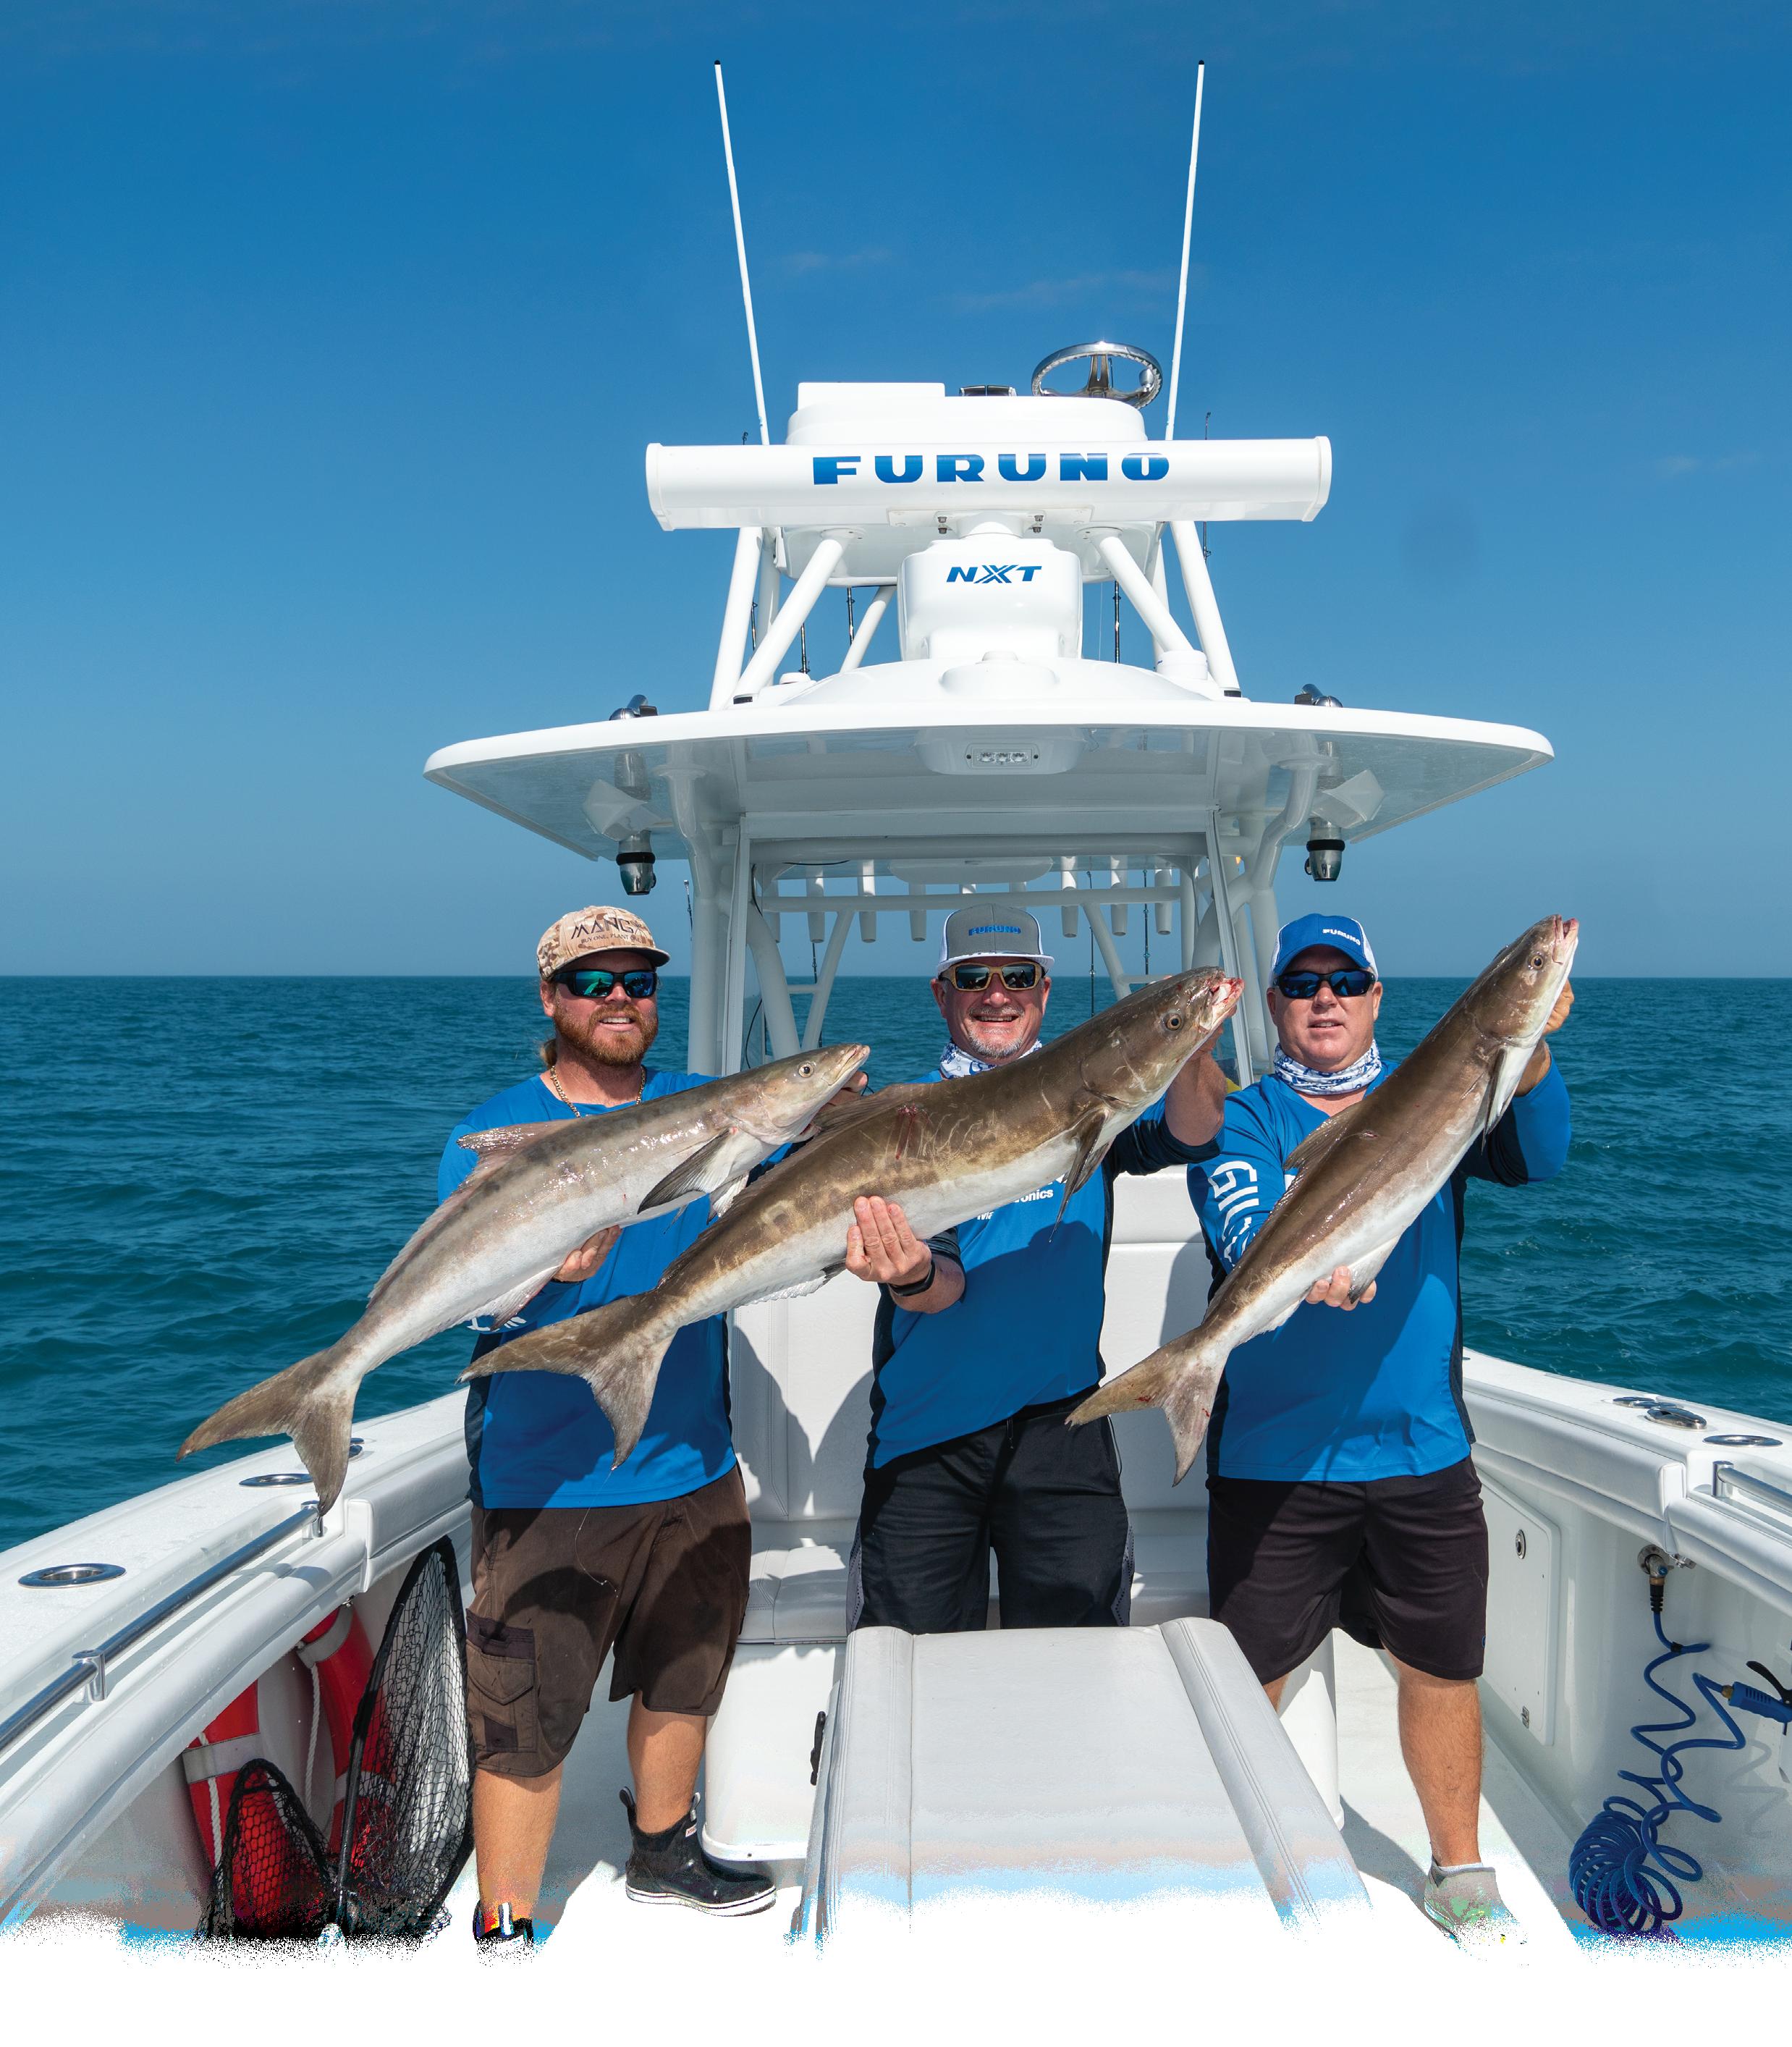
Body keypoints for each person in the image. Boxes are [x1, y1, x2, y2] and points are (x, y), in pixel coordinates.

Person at [1186, 913, 1572, 1946]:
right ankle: (1219, 1868)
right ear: (1276, 1004)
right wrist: (1310, 1265)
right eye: (1303, 982)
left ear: (1376, 998)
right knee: (1248, 1678)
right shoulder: (1245, 1116)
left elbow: (1541, 1157)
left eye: (1346, 980)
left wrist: (1532, 1053)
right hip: (1276, 1455)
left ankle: (1461, 1873)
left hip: (1421, 1447)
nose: (1326, 998)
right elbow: (1238, 1222)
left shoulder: (1443, 1089)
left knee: (1440, 1668)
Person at [445, 906, 775, 1951]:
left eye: (638, 979)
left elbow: (783, 1188)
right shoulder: (493, 1135)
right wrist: (550, 1276)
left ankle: (663, 1850)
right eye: (594, 982)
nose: (620, 998)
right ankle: (506, 1917)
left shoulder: (707, 1107)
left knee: (687, 1673)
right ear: (552, 1000)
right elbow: (475, 1306)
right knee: (524, 1715)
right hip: (549, 1480)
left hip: (693, 1460)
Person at [843, 905, 1230, 1636]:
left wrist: (1191, 1041)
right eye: (973, 978)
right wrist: (909, 1274)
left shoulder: (1101, 1099)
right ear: (941, 993)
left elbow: (1195, 1130)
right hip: (926, 1433)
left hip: (1066, 1427)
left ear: (1044, 991)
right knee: (905, 1669)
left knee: (1080, 1665)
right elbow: (936, 1284)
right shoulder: (906, 1120)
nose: (997, 994)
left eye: (1018, 976)